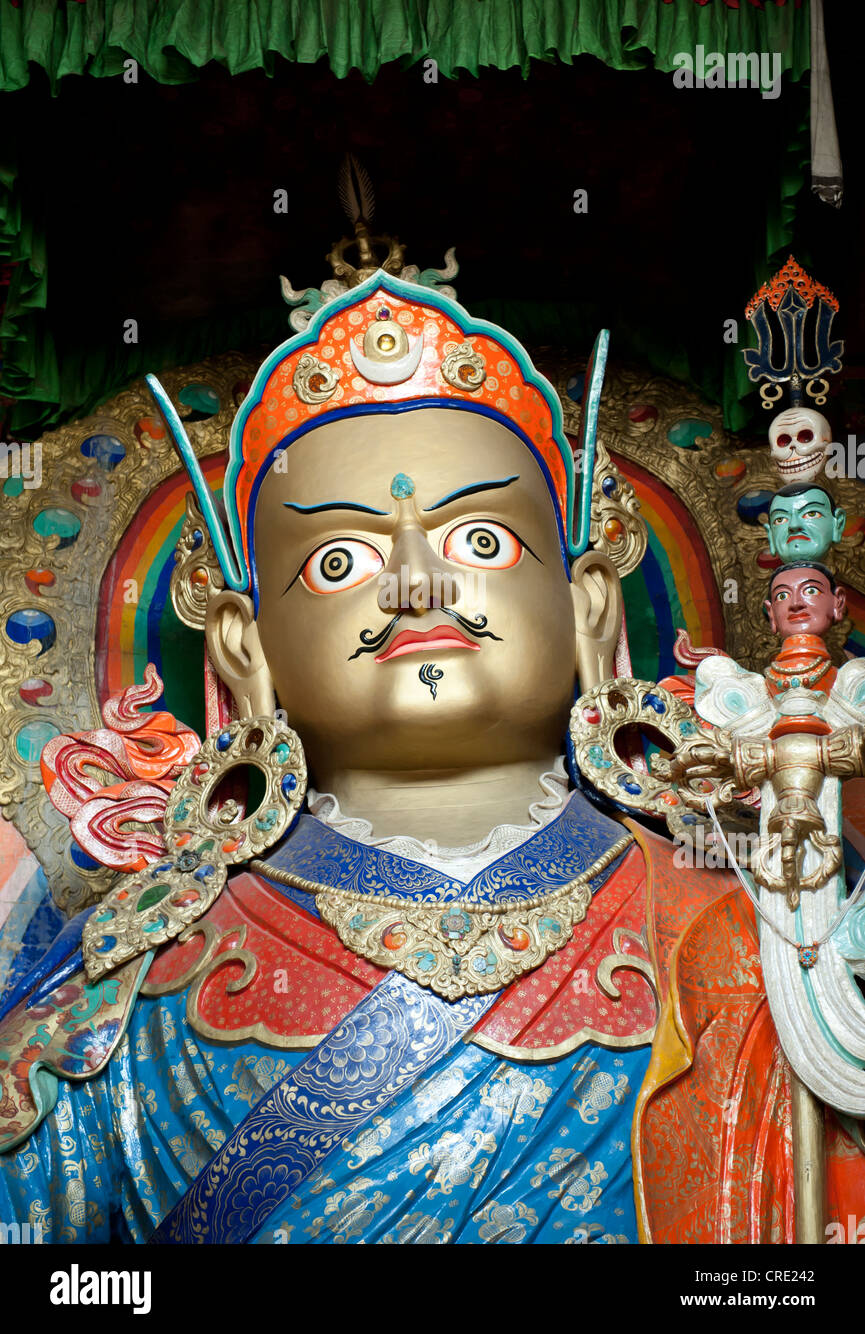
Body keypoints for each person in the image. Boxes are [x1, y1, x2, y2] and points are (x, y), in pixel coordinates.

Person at [0, 272, 860, 1244]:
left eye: (479, 537)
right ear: (246, 648)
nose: (416, 582)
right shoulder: (130, 989)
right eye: (340, 560)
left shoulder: (762, 926)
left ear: (588, 608)